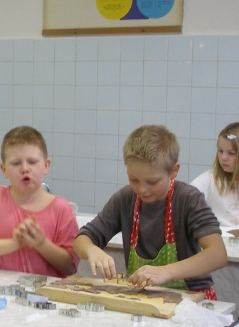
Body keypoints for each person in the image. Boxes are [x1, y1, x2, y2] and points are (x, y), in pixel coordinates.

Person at [74, 125, 227, 300]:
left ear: (174, 171)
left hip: (191, 300)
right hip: (143, 298)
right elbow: (81, 239)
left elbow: (217, 254)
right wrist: (91, 250)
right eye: (134, 180)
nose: (142, 189)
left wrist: (166, 272)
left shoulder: (187, 199)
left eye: (152, 182)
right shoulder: (125, 199)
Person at [0, 126, 78, 277]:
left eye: (32, 162)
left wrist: (42, 244)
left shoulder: (61, 209)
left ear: (46, 166)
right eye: (16, 163)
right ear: (3, 169)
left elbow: (70, 267)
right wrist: (14, 244)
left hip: (45, 291)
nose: (25, 169)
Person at [190, 121, 239, 234]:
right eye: (220, 151)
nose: (223, 157)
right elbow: (186, 198)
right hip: (223, 240)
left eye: (231, 153)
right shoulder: (210, 179)